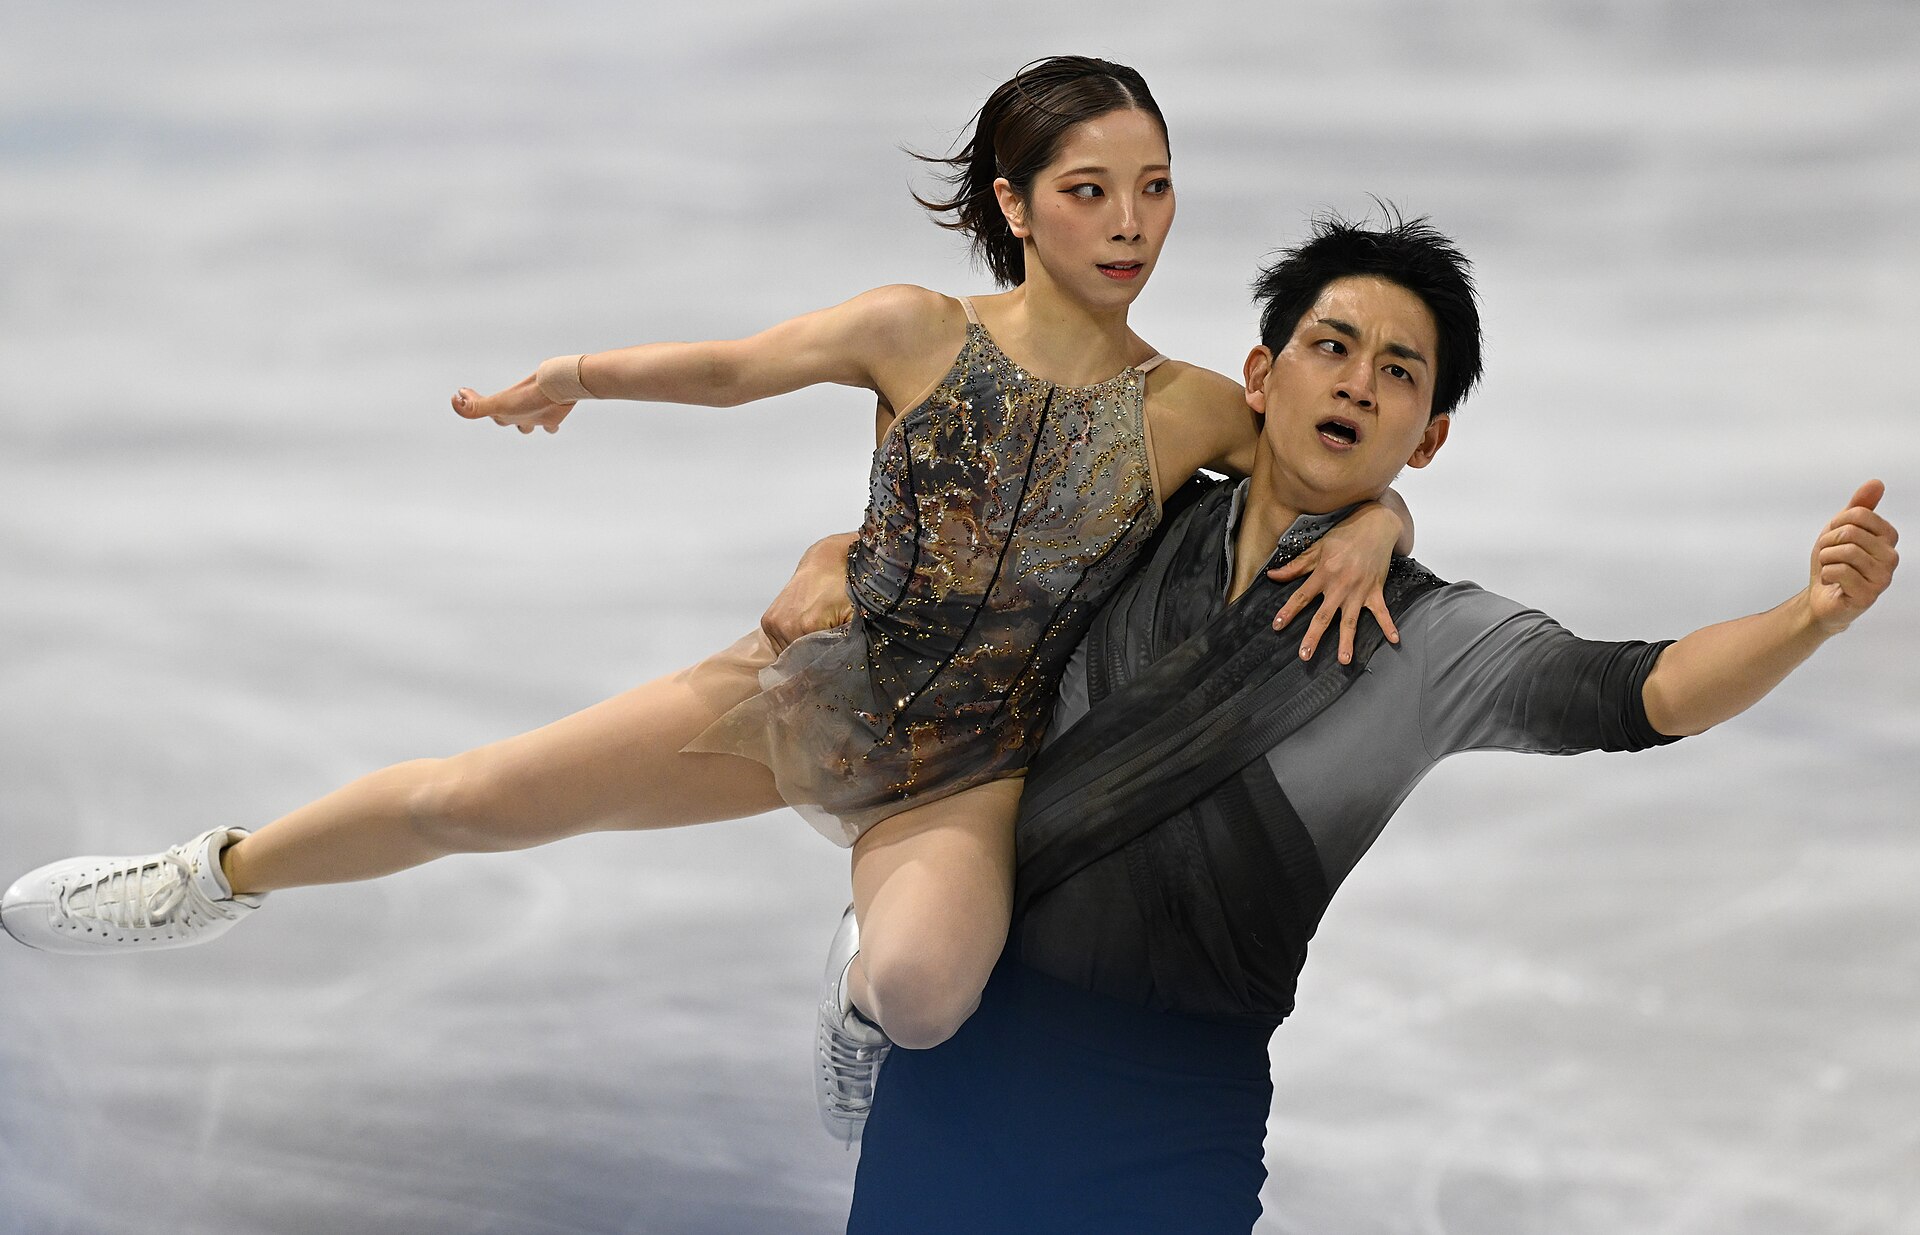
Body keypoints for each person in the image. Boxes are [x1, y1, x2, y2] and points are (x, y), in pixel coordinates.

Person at [0, 57, 1413, 1135]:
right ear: (1013, 202)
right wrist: (577, 375)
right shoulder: (914, 327)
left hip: (976, 761)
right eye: (1089, 190)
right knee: (470, 798)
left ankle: (853, 987)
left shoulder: (1193, 405)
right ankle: (209, 874)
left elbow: (1328, 463)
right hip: (812, 688)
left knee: (926, 993)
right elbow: (738, 368)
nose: (1129, 223)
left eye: (1154, 187)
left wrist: (1381, 521)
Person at [766, 213, 1899, 1232]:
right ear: (1261, 375)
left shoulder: (1432, 638)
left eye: (1398, 371)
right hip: (968, 1064)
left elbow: (1642, 691)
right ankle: (879, 968)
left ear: (1430, 435)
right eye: (1332, 347)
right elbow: (953, 540)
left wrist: (1808, 616)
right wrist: (833, 553)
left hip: (1177, 1122)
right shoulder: (1131, 513)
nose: (1357, 385)